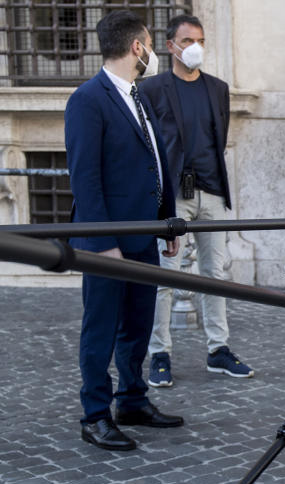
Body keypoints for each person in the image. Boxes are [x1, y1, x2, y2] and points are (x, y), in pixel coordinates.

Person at [65, 10, 183, 451]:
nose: (151, 51)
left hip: (145, 235)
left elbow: (156, 161)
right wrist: (102, 244)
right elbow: (85, 178)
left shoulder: (139, 95)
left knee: (137, 323)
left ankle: (132, 399)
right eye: (150, 42)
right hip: (108, 244)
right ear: (137, 47)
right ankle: (95, 414)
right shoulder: (87, 99)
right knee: (101, 328)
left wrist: (168, 220)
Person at [140, 14, 253, 388]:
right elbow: (150, 145)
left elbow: (216, 139)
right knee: (165, 276)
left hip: (212, 192)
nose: (195, 48)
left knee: (215, 274)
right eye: (187, 41)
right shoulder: (153, 88)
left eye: (200, 40)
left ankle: (218, 349)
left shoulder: (217, 88)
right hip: (173, 196)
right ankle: (160, 353)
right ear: (170, 46)